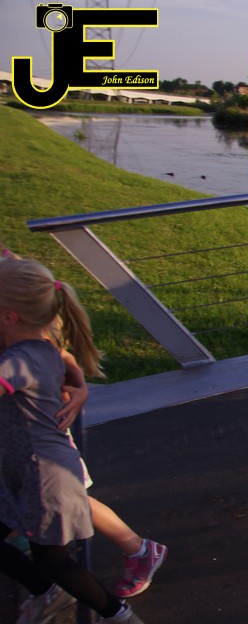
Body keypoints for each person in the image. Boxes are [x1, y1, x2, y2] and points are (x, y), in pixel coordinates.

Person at [1, 243, 168, 599]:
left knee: (69, 497)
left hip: (37, 438)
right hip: (18, 437)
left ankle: (137, 549)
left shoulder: (14, 295)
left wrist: (79, 385)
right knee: (62, 498)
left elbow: (55, 348)